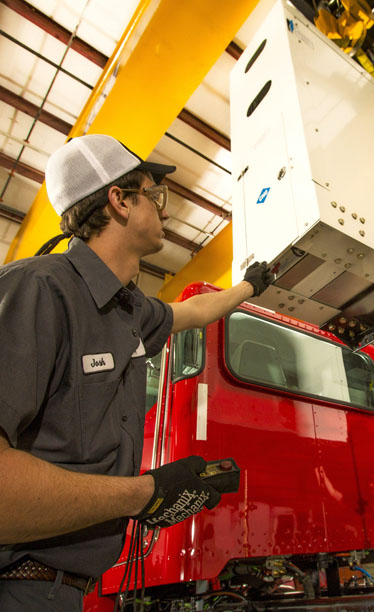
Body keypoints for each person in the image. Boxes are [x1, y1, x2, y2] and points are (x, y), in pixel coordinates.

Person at [0, 134, 273, 611]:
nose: (165, 211)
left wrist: (249, 285)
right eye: (155, 195)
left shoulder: (127, 312)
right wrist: (145, 493)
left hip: (66, 591)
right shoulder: (39, 290)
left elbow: (194, 312)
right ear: (120, 201)